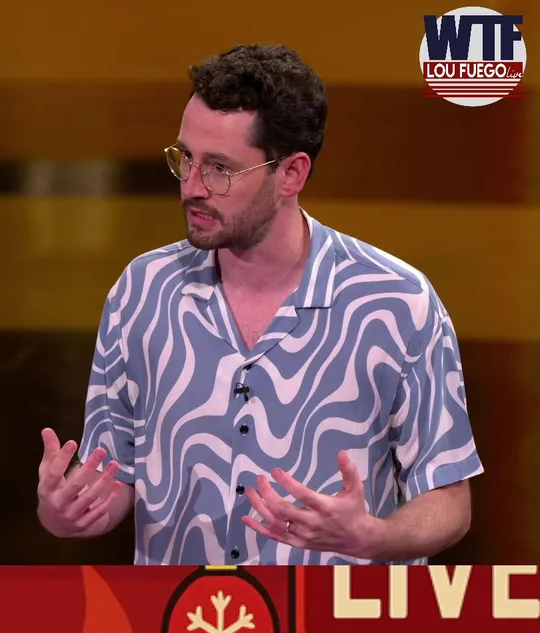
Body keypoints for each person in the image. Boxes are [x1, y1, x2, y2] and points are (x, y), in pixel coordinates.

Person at [36, 44, 481, 565]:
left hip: (330, 615)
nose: (192, 187)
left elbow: (448, 499)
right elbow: (113, 479)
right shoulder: (143, 292)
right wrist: (66, 511)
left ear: (291, 174)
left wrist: (373, 537)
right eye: (185, 158)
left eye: (219, 169)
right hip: (180, 614)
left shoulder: (396, 302)